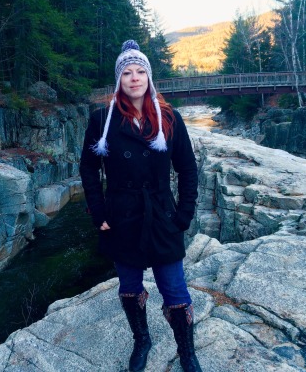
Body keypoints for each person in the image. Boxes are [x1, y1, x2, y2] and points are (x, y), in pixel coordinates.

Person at [80, 40, 202, 372]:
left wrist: (185, 213)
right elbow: (89, 167)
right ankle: (142, 340)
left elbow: (188, 168)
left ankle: (187, 352)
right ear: (119, 80)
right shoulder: (102, 119)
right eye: (127, 73)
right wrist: (98, 210)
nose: (134, 78)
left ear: (149, 78)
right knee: (130, 288)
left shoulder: (169, 118)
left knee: (175, 289)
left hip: (162, 214)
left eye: (140, 72)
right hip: (122, 215)